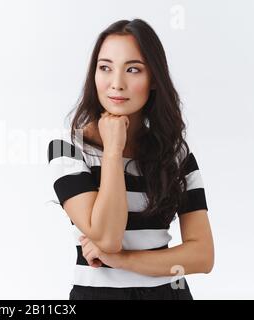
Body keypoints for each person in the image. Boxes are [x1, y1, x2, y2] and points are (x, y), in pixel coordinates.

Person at [47, 18, 214, 300]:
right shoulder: (67, 148)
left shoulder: (176, 155)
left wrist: (124, 260)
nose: (117, 84)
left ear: (153, 80)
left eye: (133, 69)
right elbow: (107, 237)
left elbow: (202, 255)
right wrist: (113, 150)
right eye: (105, 68)